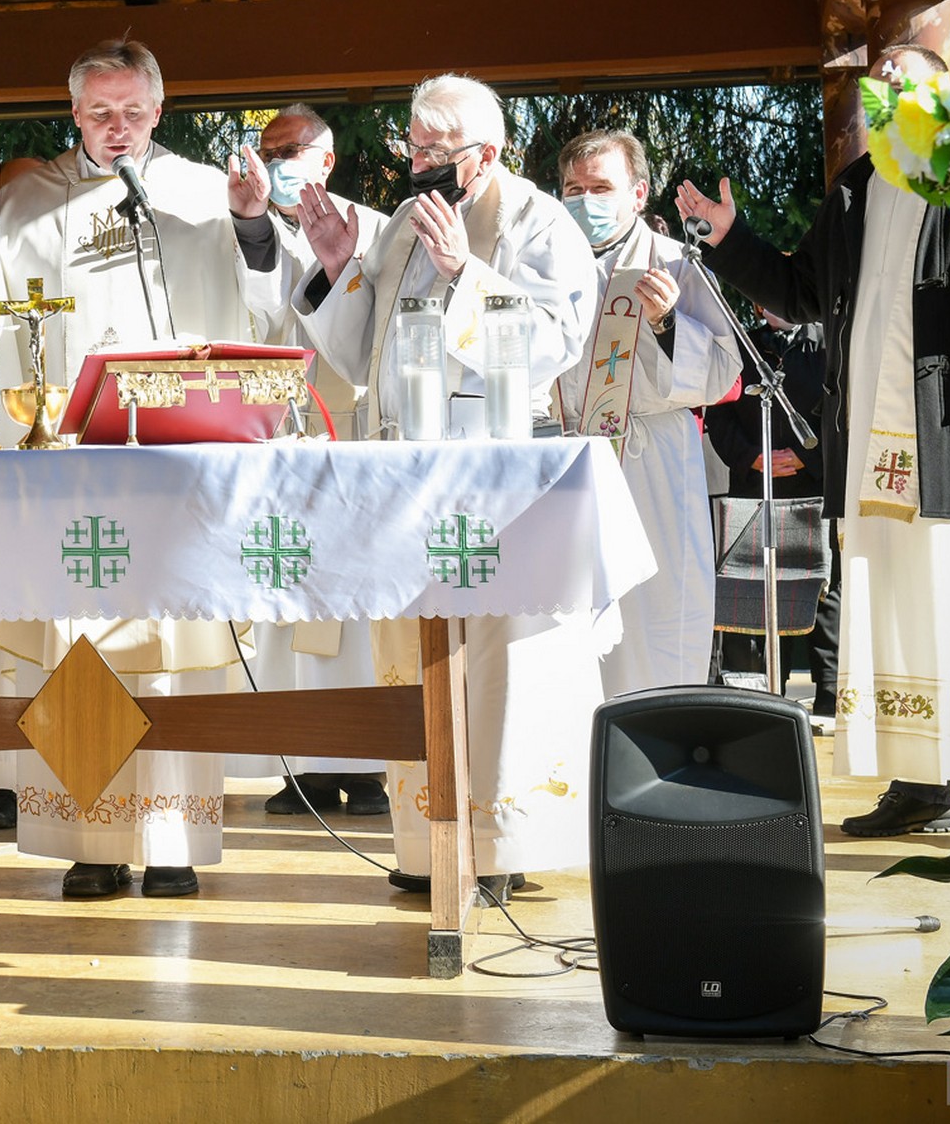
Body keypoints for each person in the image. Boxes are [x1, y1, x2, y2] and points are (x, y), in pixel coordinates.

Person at [0, 37, 285, 899]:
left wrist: (250, 225)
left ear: (159, 110)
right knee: (80, 645)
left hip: (174, 466)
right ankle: (93, 843)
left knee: (171, 644)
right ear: (74, 113)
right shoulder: (26, 197)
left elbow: (270, 306)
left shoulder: (210, 193)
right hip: (73, 469)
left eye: (132, 112)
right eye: (99, 114)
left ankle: (171, 841)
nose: (117, 129)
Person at [677, 43, 950, 837]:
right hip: (875, 444)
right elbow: (801, 292)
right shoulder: (857, 187)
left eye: (907, 83)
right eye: (880, 87)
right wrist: (732, 235)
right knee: (894, 606)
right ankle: (921, 785)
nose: (890, 96)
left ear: (948, 93)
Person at [293, 74, 598, 901]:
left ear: (486, 155)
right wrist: (333, 269)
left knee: (492, 665)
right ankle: (425, 844)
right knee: (410, 660)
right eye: (413, 146)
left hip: (494, 486)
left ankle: (496, 848)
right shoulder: (396, 228)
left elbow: (557, 342)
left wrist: (466, 271)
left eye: (436, 151)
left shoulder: (540, 224)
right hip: (401, 480)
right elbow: (360, 357)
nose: (418, 163)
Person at [240, 103, 393, 819]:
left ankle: (365, 764)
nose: (277, 160)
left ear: (326, 161)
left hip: (352, 439)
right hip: (277, 442)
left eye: (292, 148)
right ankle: (299, 761)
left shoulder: (376, 229)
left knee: (354, 608)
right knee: (283, 603)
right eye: (267, 148)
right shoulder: (247, 228)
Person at [554, 130, 740, 695]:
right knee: (569, 612)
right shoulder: (546, 263)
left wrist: (667, 325)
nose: (585, 200)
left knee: (656, 610)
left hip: (651, 459)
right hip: (569, 458)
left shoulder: (677, 262)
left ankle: (660, 746)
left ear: (638, 194)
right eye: (573, 188)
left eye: (601, 187)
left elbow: (724, 372)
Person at [706, 306, 837, 716]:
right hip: (753, 488)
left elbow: (841, 406)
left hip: (814, 485)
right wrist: (753, 458)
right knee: (754, 588)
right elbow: (720, 413)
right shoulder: (741, 346)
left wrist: (805, 456)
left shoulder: (828, 342)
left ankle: (831, 693)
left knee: (825, 588)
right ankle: (761, 697)